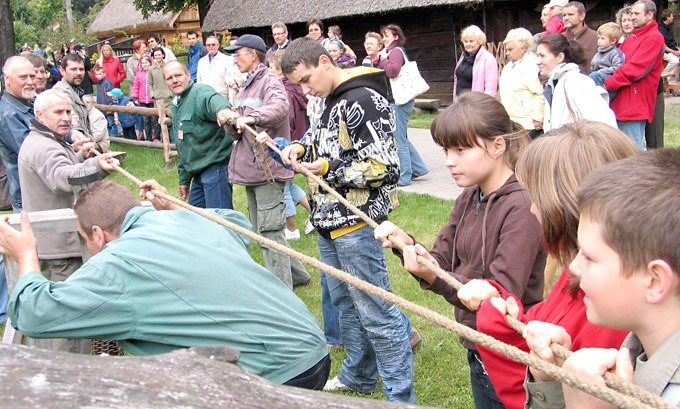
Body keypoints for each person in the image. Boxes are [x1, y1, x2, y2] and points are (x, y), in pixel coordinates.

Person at [3, 179, 331, 390]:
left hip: (273, 377)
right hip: (311, 348)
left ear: (99, 235)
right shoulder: (185, 220)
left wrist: (26, 254)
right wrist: (176, 207)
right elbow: (236, 223)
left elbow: (33, 314)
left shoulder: (115, 266)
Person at [374, 92, 545, 408]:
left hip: (512, 354)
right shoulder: (471, 196)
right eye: (446, 150)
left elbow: (498, 299)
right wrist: (406, 244)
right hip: (479, 347)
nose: (449, 161)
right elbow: (441, 259)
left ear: (497, 146)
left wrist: (433, 275)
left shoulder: (521, 207)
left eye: (461, 150)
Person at [463, 121, 636, 409]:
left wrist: (493, 320)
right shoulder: (576, 273)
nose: (531, 209)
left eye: (537, 199)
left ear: (563, 207)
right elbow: (544, 322)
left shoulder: (609, 311)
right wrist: (499, 303)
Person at [280, 38, 415, 403]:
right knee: (345, 304)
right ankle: (358, 375)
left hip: (357, 223)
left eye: (307, 80)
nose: (306, 89)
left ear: (325, 62)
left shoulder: (364, 100)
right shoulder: (325, 99)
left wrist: (327, 169)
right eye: (300, 85)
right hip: (327, 220)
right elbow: (324, 142)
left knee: (377, 314)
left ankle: (400, 396)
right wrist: (301, 148)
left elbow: (385, 168)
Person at [520, 148, 680, 408]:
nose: (574, 265)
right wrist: (549, 378)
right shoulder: (639, 353)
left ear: (655, 280)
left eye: (590, 257)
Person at [17, 89, 116, 353]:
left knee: (63, 314)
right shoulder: (43, 146)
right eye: (58, 112)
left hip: (58, 244)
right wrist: (96, 166)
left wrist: (82, 157)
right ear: (39, 115)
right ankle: (68, 377)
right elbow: (61, 177)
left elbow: (63, 167)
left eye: (69, 112)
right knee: (69, 319)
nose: (66, 118)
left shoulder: (49, 140)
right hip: (60, 248)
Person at [224, 34, 310, 289]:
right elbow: (240, 128)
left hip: (269, 169)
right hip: (251, 170)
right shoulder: (245, 86)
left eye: (237, 54)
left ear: (252, 54)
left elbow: (280, 107)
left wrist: (252, 118)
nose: (234, 59)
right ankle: (299, 275)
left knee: (271, 231)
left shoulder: (269, 80)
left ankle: (282, 292)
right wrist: (231, 121)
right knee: (261, 230)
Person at [163, 61, 235, 210]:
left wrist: (222, 110)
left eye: (178, 75)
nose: (175, 80)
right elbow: (183, 146)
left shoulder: (200, 92)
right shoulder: (176, 105)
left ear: (188, 75)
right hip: (197, 173)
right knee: (195, 219)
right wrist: (184, 180)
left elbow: (214, 100)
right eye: (170, 78)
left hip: (216, 168)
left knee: (221, 221)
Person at [604, 0, 664, 150]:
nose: (632, 18)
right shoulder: (631, 39)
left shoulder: (653, 38)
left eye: (637, 14)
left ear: (650, 15)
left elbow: (635, 69)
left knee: (633, 154)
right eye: (631, 14)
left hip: (634, 105)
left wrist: (608, 83)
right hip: (622, 102)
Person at [378, 23, 430, 186]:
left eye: (387, 35)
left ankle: (405, 177)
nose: (384, 38)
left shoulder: (395, 52)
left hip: (401, 101)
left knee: (398, 140)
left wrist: (382, 61)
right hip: (400, 100)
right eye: (383, 35)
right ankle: (419, 168)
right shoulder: (390, 52)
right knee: (403, 137)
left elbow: (393, 71)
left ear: (396, 37)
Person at [537, 33, 617, 131]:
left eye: (542, 56)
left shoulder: (576, 81)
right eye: (537, 56)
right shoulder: (554, 83)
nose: (537, 61)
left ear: (560, 57)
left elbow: (603, 123)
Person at [0, 56, 36, 212]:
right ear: (7, 79)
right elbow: (31, 154)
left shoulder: (31, 102)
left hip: (39, 189)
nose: (30, 81)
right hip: (27, 196)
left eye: (32, 76)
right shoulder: (8, 115)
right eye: (23, 77)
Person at [498, 28, 544, 139]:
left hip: (528, 123)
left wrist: (538, 117)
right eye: (506, 50)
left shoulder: (532, 65)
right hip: (513, 121)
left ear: (522, 48)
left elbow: (540, 92)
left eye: (510, 49)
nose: (507, 53)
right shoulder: (509, 66)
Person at [453, 25, 498, 101]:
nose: (468, 44)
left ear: (479, 41)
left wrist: (483, 105)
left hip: (476, 104)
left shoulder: (488, 59)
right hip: (460, 102)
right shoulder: (463, 57)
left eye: (471, 41)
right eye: (466, 41)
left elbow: (490, 88)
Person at [52, 53, 91, 137]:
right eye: (73, 69)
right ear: (62, 71)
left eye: (81, 69)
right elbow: (72, 123)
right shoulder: (61, 93)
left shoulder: (78, 91)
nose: (78, 73)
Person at [196, 35, 242, 104]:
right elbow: (199, 81)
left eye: (213, 44)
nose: (211, 46)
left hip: (222, 98)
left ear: (218, 45)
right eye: (208, 45)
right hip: (206, 98)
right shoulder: (201, 62)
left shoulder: (227, 60)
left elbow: (231, 82)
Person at [562, 1, 598, 73]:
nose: (565, 18)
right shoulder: (560, 38)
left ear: (581, 16)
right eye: (564, 15)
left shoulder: (596, 37)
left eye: (570, 14)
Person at [588, 23, 625, 90]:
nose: (599, 41)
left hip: (609, 79)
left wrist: (601, 71)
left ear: (613, 41)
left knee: (594, 75)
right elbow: (593, 68)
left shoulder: (615, 53)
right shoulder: (598, 54)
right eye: (598, 38)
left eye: (602, 39)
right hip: (596, 77)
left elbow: (618, 67)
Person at [131, 55, 155, 141]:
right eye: (143, 63)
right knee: (146, 120)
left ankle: (155, 137)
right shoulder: (139, 75)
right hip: (142, 100)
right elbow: (136, 87)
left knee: (154, 120)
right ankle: (148, 138)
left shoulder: (153, 73)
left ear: (150, 63)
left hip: (152, 99)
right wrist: (135, 97)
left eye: (146, 62)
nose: (144, 64)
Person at [147, 47, 174, 118]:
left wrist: (171, 93)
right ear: (153, 56)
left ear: (163, 55)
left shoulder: (168, 66)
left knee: (170, 117)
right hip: (157, 98)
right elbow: (150, 83)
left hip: (168, 97)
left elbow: (172, 80)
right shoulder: (151, 69)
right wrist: (152, 93)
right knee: (159, 119)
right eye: (156, 55)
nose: (158, 57)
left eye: (159, 55)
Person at [659, 9, 679, 83]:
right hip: (664, 51)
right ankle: (664, 78)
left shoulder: (669, 28)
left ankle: (675, 78)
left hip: (672, 50)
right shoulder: (660, 29)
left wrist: (677, 50)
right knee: (675, 60)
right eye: (671, 16)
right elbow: (663, 45)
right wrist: (674, 52)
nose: (673, 17)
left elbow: (672, 42)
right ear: (667, 17)